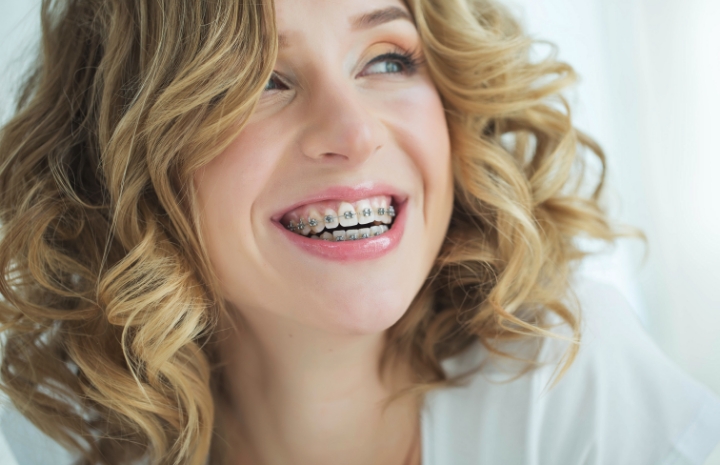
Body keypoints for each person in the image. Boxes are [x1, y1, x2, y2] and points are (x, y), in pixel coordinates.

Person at [0, 0, 718, 464]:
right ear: (124, 154)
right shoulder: (55, 438)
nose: (353, 132)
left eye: (387, 59)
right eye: (260, 83)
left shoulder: (567, 384)